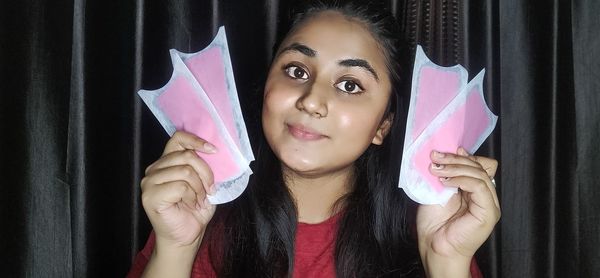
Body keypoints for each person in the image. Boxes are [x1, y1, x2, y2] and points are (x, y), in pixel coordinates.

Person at [128, 1, 500, 277]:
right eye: (296, 70)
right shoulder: (198, 213)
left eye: (350, 85)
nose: (312, 101)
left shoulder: (432, 232)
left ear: (382, 126)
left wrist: (447, 260)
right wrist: (177, 247)